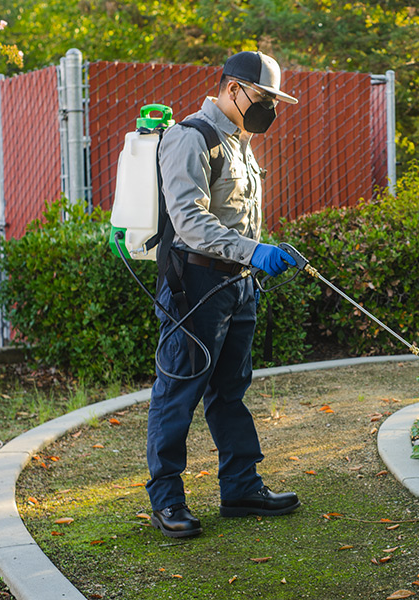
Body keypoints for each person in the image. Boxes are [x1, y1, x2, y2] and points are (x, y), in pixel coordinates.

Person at [146, 51, 301, 538]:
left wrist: (259, 257)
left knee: (230, 390)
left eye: (275, 102)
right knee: (178, 392)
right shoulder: (189, 137)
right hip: (195, 286)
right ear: (233, 88)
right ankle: (167, 500)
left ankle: (240, 488)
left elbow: (236, 217)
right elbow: (191, 222)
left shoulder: (241, 143)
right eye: (264, 98)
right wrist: (254, 251)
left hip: (238, 286)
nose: (270, 109)